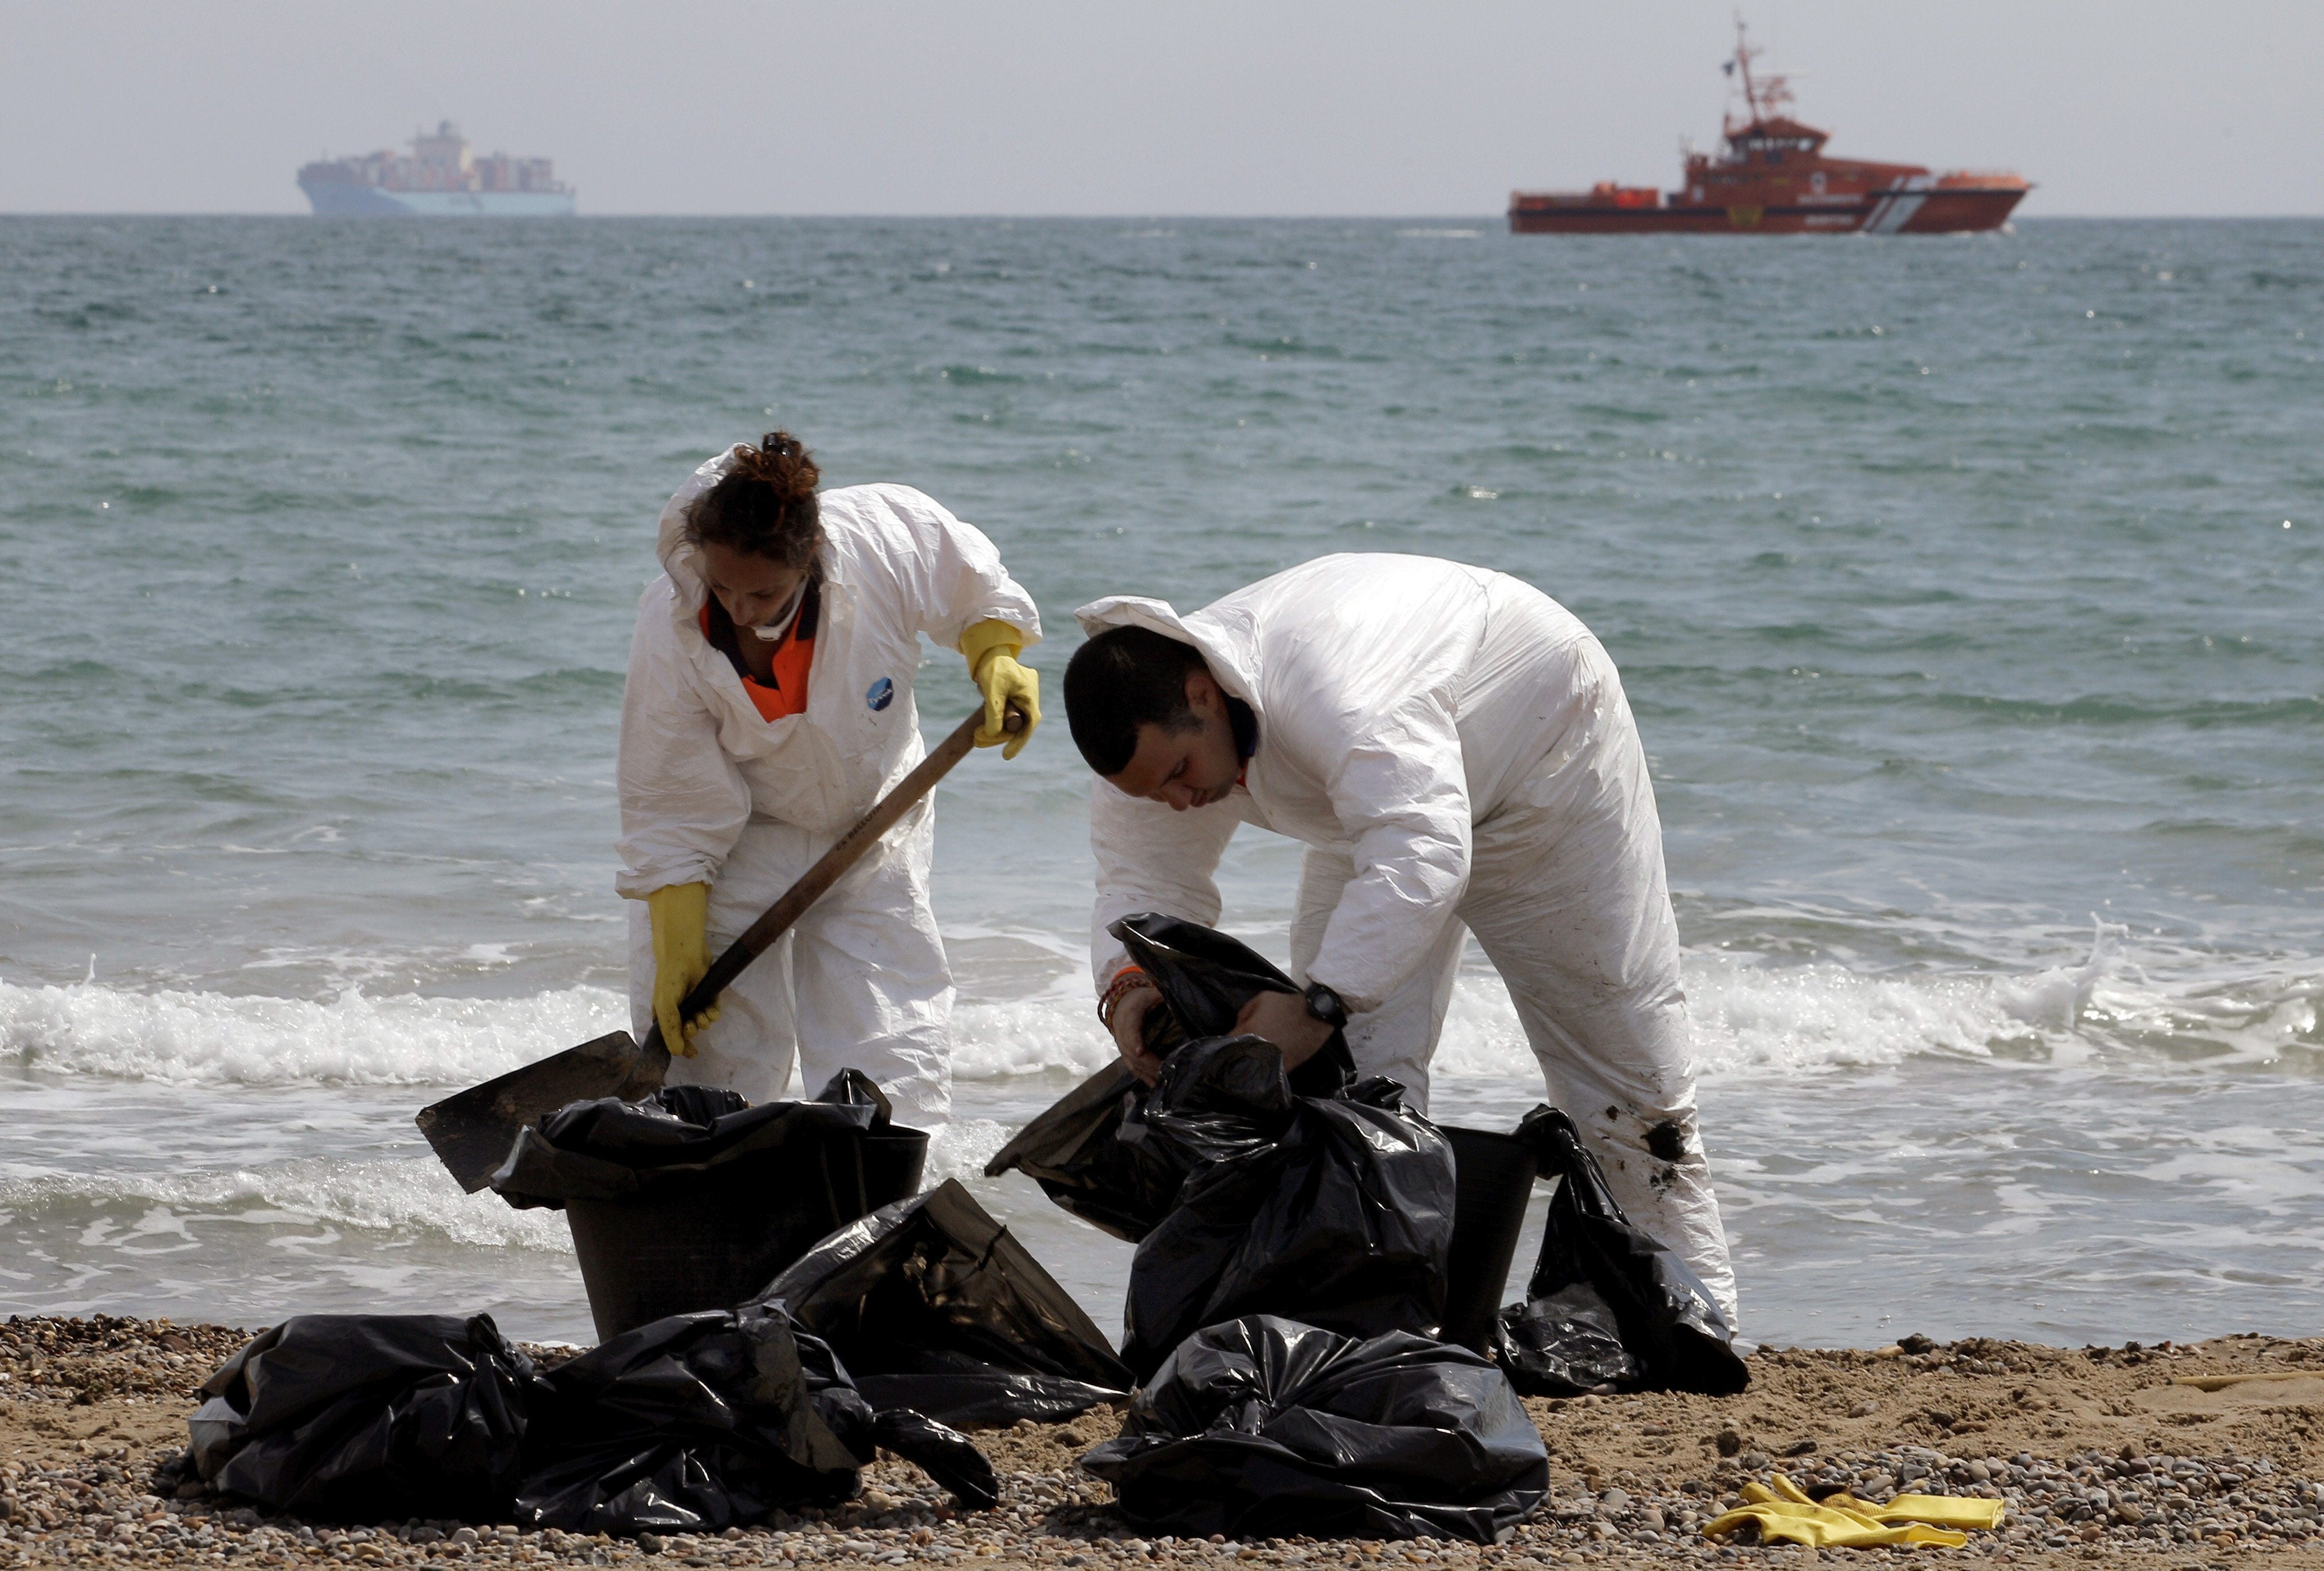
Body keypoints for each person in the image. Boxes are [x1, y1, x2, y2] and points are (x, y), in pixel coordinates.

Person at [1061, 552, 1738, 1326]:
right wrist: (1126, 986)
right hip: (1378, 813)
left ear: (1202, 693)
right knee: (1360, 1093)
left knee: (1625, 1083)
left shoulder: (1335, 693)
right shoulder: (1158, 751)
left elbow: (1424, 848)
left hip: (1546, 759)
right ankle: (1391, 1326)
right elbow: (1140, 886)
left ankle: (1697, 1326)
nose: (1180, 801)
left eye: (1181, 770)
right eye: (1157, 791)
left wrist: (1317, 1000)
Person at [615, 431, 1041, 1125]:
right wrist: (677, 935)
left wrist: (995, 656)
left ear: (810, 559)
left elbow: (971, 588)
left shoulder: (881, 538)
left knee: (886, 1040)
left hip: (874, 818)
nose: (739, 610)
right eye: (722, 587)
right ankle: (710, 1200)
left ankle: (879, 1205)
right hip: (743, 834)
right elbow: (670, 794)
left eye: (762, 592)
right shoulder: (672, 624)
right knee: (709, 1051)